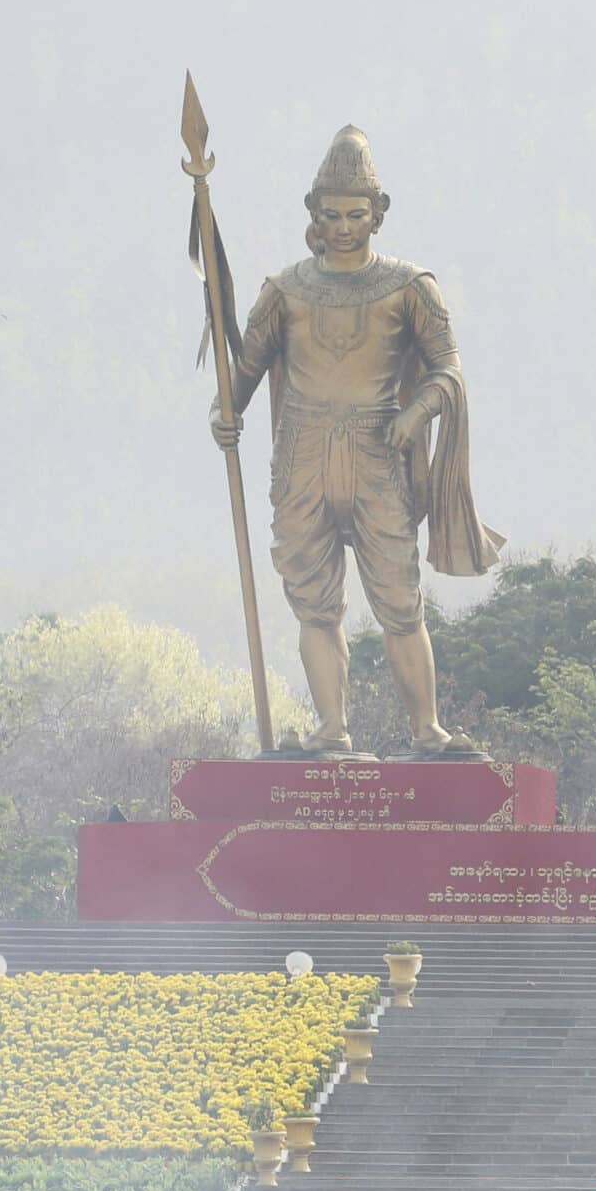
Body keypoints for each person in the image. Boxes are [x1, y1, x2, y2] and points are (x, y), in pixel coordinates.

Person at [211, 125, 501, 755]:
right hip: (303, 456)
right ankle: (331, 728)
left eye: (356, 214)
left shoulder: (409, 287)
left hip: (378, 453)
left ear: (378, 214)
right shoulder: (285, 291)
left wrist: (415, 413)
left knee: (399, 598)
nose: (344, 226)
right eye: (332, 214)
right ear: (314, 213)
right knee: (315, 602)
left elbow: (449, 369)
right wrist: (224, 412)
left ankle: (426, 728)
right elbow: (246, 372)